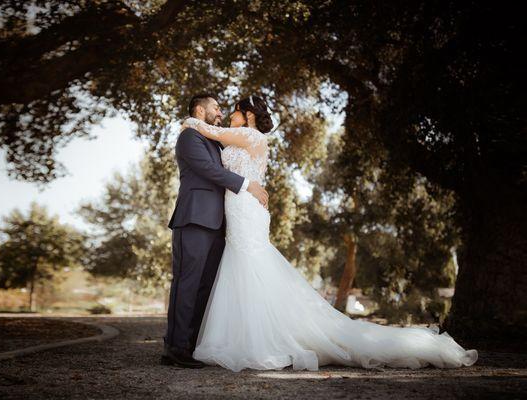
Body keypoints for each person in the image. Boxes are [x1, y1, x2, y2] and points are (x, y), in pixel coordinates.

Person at [180, 95, 478, 372]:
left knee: (250, 266)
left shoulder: (249, 135)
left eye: (233, 113)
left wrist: (190, 121)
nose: (228, 117)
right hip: (241, 209)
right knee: (245, 268)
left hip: (245, 207)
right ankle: (244, 337)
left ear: (247, 115)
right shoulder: (248, 138)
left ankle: (259, 340)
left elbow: (211, 133)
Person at [162, 94, 269, 368]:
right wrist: (247, 184)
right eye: (216, 108)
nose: (221, 112)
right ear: (200, 110)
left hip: (220, 223)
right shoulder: (190, 136)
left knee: (205, 286)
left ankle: (192, 345)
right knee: (187, 282)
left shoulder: (213, 139)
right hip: (194, 218)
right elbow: (207, 170)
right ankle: (174, 347)